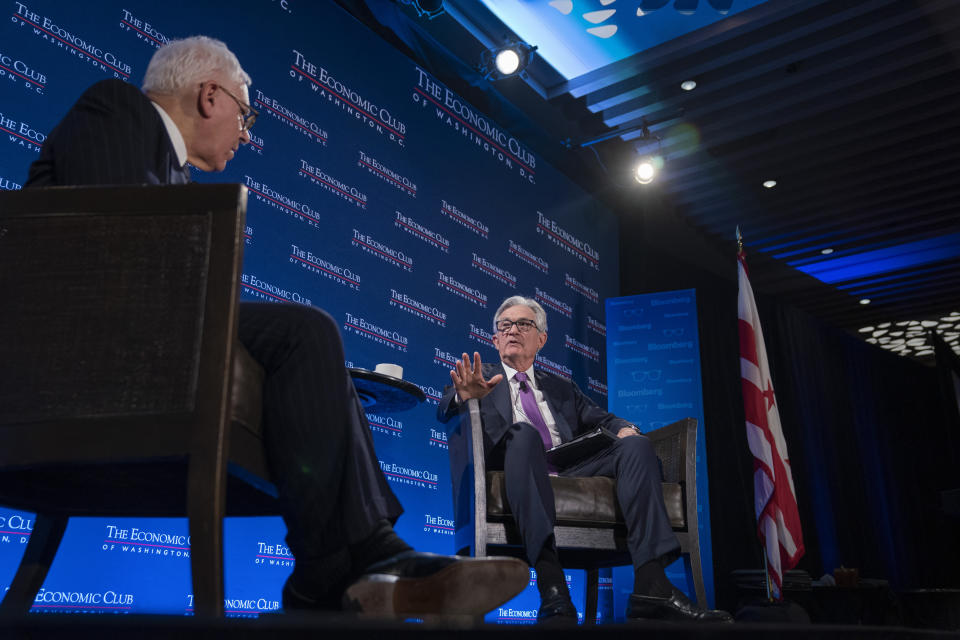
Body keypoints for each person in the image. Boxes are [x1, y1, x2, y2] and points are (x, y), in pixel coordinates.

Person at [24, 36, 527, 618]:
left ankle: (353, 561)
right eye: (246, 113)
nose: (246, 134)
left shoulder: (173, 173)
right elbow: (128, 258)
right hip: (91, 367)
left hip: (153, 353)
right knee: (304, 336)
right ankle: (339, 567)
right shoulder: (116, 106)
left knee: (311, 355)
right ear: (209, 95)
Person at [438, 295, 733, 622]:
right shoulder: (483, 378)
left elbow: (606, 420)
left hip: (569, 469)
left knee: (636, 446)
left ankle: (652, 584)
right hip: (516, 467)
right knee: (523, 435)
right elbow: (446, 407)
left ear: (541, 339)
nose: (512, 331)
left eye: (523, 324)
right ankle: (552, 585)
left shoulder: (562, 388)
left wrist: (627, 429)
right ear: (495, 339)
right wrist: (464, 397)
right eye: (504, 326)